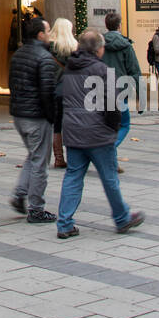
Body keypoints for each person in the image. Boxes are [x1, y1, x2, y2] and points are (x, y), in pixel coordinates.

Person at [55, 29, 145, 239]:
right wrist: (113, 129)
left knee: (73, 176)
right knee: (109, 177)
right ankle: (122, 218)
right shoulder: (102, 70)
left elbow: (60, 97)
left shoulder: (69, 69)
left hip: (74, 132)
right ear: (99, 49)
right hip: (98, 134)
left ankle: (64, 223)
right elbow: (112, 106)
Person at [8, 16, 57, 224]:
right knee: (40, 162)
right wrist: (52, 117)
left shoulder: (18, 54)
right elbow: (47, 93)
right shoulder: (44, 58)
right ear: (40, 34)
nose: (50, 35)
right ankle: (36, 208)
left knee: (33, 155)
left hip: (19, 115)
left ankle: (20, 193)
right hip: (36, 117)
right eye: (47, 31)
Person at [102, 11, 141, 171]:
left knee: (106, 124)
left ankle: (111, 159)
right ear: (120, 25)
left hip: (100, 89)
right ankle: (109, 149)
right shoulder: (125, 45)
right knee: (124, 124)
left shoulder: (99, 44)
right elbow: (135, 71)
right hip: (120, 90)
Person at [46, 18, 77, 170]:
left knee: (56, 125)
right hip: (71, 91)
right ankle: (73, 157)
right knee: (71, 123)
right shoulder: (74, 47)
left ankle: (59, 158)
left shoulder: (48, 47)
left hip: (54, 90)